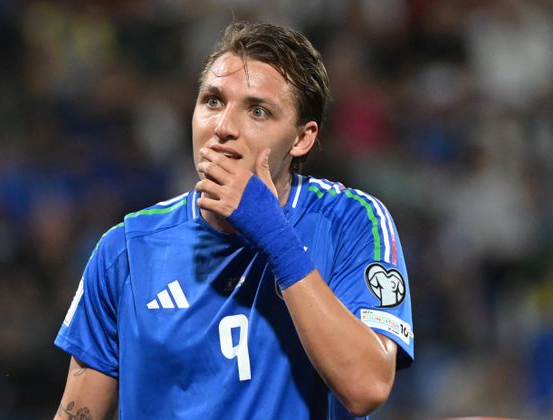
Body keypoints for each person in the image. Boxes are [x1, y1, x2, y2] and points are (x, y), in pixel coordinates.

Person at [53, 21, 414, 419]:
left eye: (258, 111)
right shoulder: (126, 249)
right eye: (212, 101)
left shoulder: (351, 223)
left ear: (302, 138)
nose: (224, 127)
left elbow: (366, 387)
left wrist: (275, 237)